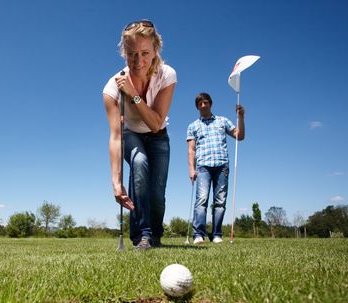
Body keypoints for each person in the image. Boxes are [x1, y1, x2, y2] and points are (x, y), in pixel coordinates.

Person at [103, 19, 177, 250]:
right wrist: (116, 183)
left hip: (158, 135)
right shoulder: (112, 88)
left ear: (156, 50)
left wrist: (134, 94)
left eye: (145, 53)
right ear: (124, 53)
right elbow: (115, 136)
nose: (138, 61)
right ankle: (142, 235)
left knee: (157, 192)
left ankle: (155, 234)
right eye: (132, 54)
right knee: (139, 163)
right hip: (131, 134)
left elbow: (155, 123)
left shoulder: (167, 75)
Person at [186, 93, 245, 244]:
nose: (203, 105)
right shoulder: (193, 126)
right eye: (200, 103)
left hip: (222, 165)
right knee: (202, 200)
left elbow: (239, 136)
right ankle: (198, 235)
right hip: (203, 167)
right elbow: (191, 150)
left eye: (205, 102)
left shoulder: (222, 121)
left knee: (220, 201)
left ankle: (217, 234)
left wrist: (241, 117)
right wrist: (191, 169)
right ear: (197, 107)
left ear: (210, 104)